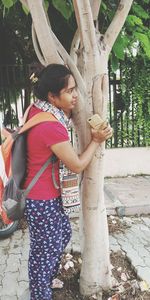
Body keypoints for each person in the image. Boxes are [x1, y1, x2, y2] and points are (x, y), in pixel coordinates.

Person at [24, 63, 113, 300]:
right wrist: (96, 140)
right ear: (53, 96)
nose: (75, 95)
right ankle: (39, 293)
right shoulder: (51, 126)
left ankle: (43, 279)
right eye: (70, 91)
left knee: (60, 235)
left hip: (44, 196)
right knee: (45, 252)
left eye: (75, 89)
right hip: (43, 200)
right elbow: (77, 164)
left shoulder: (38, 109)